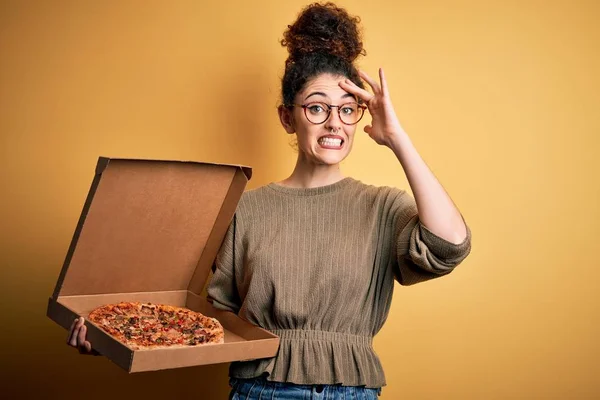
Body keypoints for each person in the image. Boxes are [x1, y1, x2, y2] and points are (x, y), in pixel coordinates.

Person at [68, 2, 472, 399]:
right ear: (287, 117)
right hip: (261, 390)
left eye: (348, 110)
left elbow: (449, 246)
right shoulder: (243, 209)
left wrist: (398, 140)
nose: (334, 122)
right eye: (317, 107)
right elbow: (211, 318)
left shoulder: (382, 207)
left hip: (354, 393)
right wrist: (117, 337)